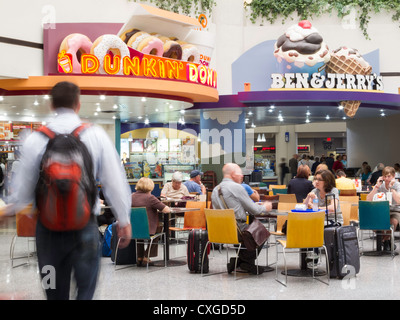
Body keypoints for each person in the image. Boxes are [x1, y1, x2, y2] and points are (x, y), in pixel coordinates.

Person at [7, 81, 132, 300]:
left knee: (53, 292)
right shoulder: (96, 135)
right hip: (86, 229)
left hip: (47, 232)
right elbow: (114, 181)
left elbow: (22, 190)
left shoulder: (36, 139)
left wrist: (16, 209)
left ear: (51, 105)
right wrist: (124, 219)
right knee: (86, 291)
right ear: (78, 103)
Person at [211, 163, 272, 275]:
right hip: (237, 230)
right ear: (233, 174)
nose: (242, 176)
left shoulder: (215, 190)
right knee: (262, 231)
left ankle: (242, 262)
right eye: (240, 173)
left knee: (249, 231)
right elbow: (255, 210)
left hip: (221, 231)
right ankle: (243, 263)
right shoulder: (236, 187)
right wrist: (266, 207)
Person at [131, 177, 171, 266]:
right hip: (148, 230)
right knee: (158, 229)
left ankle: (139, 257)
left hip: (134, 229)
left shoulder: (131, 196)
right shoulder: (150, 198)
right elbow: (166, 210)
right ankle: (146, 256)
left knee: (140, 233)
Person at [367, 166, 400, 251]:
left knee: (393, 222)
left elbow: (398, 201)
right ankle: (387, 241)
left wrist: (391, 188)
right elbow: (368, 199)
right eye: (385, 176)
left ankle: (384, 240)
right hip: (381, 211)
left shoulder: (397, 185)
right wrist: (377, 186)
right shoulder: (380, 185)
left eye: (389, 176)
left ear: (393, 176)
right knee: (375, 224)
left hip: (395, 211)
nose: (386, 178)